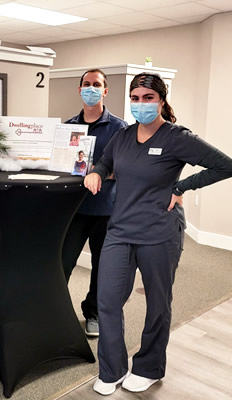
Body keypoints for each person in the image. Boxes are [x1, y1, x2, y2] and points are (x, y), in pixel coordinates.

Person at [84, 72, 232, 395]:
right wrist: (96, 173)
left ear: (161, 101)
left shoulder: (177, 137)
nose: (140, 105)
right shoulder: (123, 136)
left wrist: (182, 187)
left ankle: (149, 367)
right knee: (107, 301)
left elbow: (226, 165)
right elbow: (105, 161)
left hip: (159, 232)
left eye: (147, 98)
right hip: (120, 230)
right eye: (135, 98)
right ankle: (112, 369)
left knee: (157, 303)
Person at [62, 68, 127, 336]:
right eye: (86, 84)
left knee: (102, 266)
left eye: (96, 84)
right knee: (62, 262)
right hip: (74, 210)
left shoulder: (119, 128)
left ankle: (94, 314)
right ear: (79, 90)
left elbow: (126, 167)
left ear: (105, 90)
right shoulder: (67, 127)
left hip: (106, 209)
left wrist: (99, 174)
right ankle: (57, 312)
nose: (91, 88)